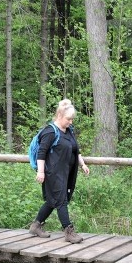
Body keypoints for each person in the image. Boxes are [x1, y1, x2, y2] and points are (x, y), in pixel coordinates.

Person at [29, 99, 90, 243]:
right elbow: (41, 153)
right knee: (61, 201)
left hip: (66, 173)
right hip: (53, 173)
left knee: (52, 201)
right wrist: (41, 172)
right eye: (68, 119)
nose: (71, 122)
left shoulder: (69, 131)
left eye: (72, 119)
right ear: (59, 116)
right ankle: (68, 232)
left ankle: (35, 226)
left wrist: (83, 164)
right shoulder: (50, 131)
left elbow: (76, 150)